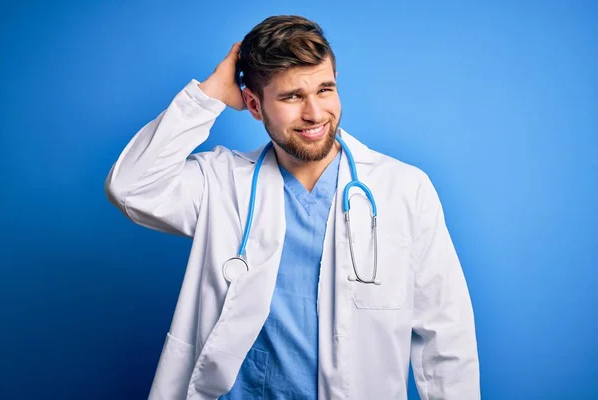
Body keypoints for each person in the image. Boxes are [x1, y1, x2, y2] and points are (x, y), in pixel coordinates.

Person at [105, 15, 480, 400]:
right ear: (253, 104)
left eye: (325, 90)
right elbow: (131, 187)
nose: (315, 114)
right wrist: (210, 95)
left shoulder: (403, 188)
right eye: (291, 97)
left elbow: (445, 337)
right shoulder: (221, 183)